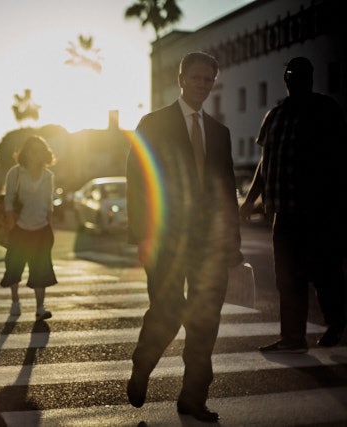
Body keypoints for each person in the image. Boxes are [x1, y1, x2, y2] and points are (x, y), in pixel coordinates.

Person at [126, 52, 243, 422]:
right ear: (181, 80)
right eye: (197, 78)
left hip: (209, 243)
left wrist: (233, 245)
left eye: (209, 80)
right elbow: (137, 181)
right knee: (168, 309)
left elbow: (226, 190)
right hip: (166, 239)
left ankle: (193, 398)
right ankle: (143, 364)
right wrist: (144, 236)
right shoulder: (153, 123)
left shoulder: (220, 133)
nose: (203, 86)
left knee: (205, 321)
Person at [240, 57, 346, 352]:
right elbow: (265, 163)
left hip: (319, 212)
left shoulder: (326, 110)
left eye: (301, 74)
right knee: (287, 277)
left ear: (311, 78)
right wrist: (250, 200)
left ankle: (336, 321)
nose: (295, 79)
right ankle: (293, 337)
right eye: (290, 74)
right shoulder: (274, 115)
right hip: (282, 213)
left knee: (325, 273)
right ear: (284, 78)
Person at [0, 135, 58, 321]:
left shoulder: (48, 176)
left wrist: (50, 225)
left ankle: (40, 308)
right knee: (14, 267)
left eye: (39, 151)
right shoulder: (15, 173)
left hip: (41, 228)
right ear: (25, 153)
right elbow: (8, 200)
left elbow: (49, 203)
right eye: (32, 151)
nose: (36, 155)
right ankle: (15, 302)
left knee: (41, 269)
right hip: (19, 228)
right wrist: (11, 225)